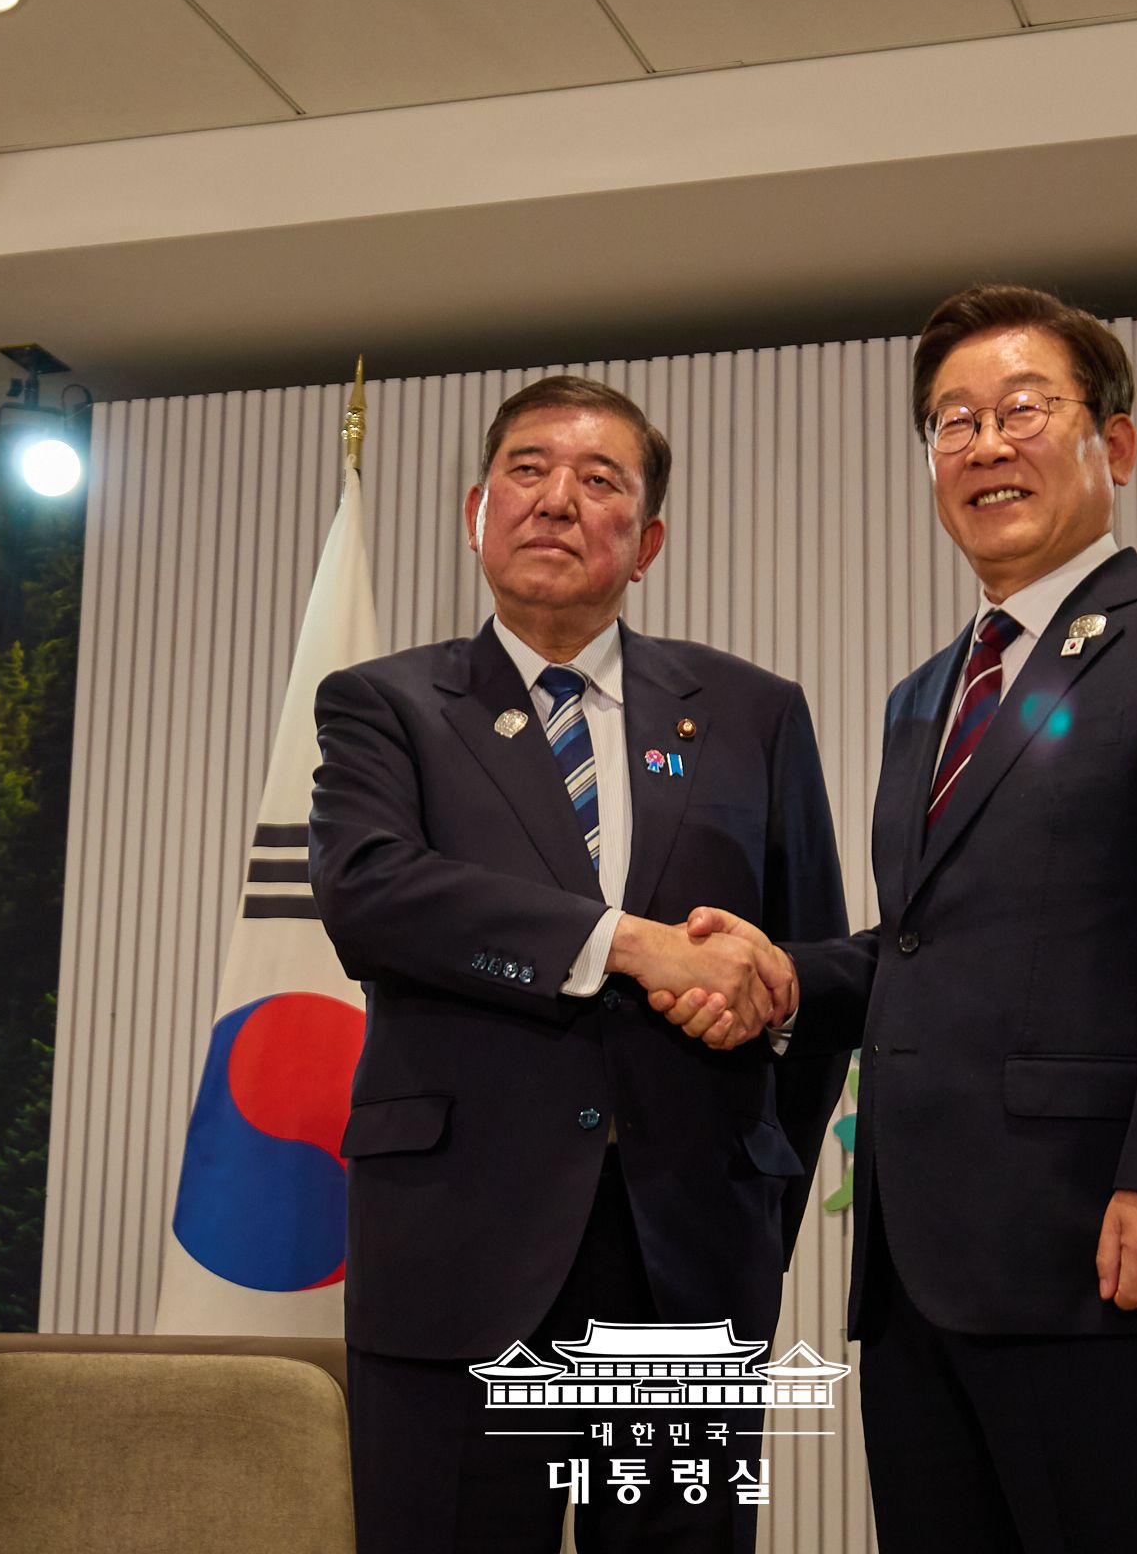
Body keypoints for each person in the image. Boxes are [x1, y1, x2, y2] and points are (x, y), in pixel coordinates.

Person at [652, 285, 1137, 1552]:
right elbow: (924, 945)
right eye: (952, 421)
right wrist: (781, 971)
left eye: (1023, 408)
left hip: (1103, 1256)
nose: (985, 443)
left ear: (1115, 443)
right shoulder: (924, 695)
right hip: (920, 1274)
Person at [311, 373, 842, 1554]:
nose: (556, 498)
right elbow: (371, 894)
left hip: (685, 1254)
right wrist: (629, 944)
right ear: (475, 512)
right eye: (528, 469)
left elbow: (807, 974)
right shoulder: (385, 704)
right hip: (456, 1247)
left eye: (600, 480)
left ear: (647, 542)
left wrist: (761, 1190)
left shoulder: (752, 713)